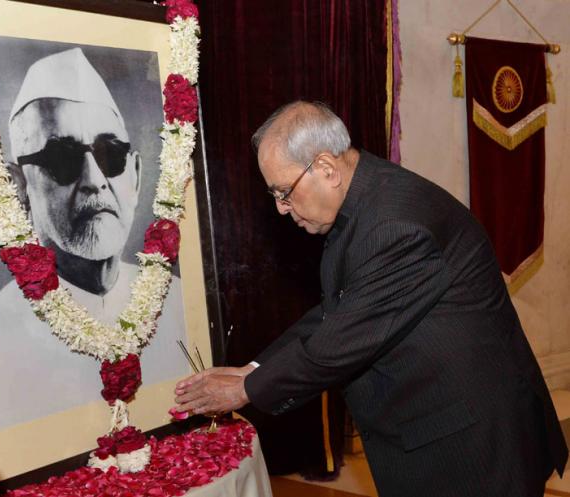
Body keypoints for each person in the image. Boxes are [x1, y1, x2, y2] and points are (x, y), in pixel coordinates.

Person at [174, 101, 568, 497]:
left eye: (284, 192)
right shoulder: (365, 195)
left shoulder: (395, 226)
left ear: (326, 169)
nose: (280, 208)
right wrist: (251, 369)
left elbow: (340, 342)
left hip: (473, 445)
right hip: (440, 426)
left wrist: (245, 390)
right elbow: (339, 310)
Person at [0, 48, 186, 428]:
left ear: (136, 176)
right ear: (18, 187)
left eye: (110, 155)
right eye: (62, 158)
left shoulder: (179, 303)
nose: (95, 180)